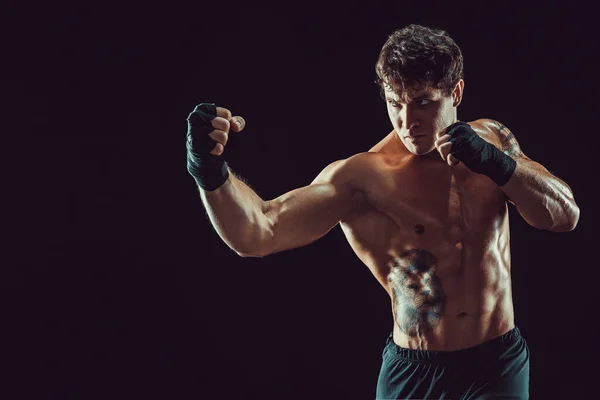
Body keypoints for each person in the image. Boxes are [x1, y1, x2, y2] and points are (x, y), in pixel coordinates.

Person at [185, 24, 580, 399]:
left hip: (498, 363)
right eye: (395, 103)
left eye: (423, 102)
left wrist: (497, 164)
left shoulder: (492, 138)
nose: (408, 122)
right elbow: (259, 233)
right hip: (415, 371)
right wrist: (209, 170)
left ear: (456, 92)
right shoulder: (365, 177)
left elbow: (564, 215)